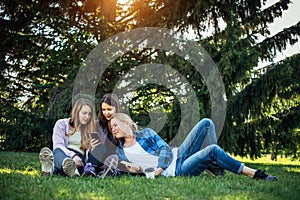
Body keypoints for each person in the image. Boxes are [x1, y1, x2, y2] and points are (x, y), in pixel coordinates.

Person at [110, 113, 277, 181]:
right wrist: (136, 169)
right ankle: (254, 174)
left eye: (115, 125)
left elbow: (165, 149)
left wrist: (159, 168)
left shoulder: (146, 133)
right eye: (111, 128)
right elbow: (126, 168)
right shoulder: (121, 150)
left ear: (126, 123)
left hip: (177, 154)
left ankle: (214, 165)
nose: (113, 129)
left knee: (206, 123)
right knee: (212, 151)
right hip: (178, 169)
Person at [39, 97, 114, 177]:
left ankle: (53, 169)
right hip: (64, 153)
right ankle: (67, 168)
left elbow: (89, 154)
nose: (87, 117)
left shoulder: (90, 128)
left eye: (89, 114)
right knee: (57, 151)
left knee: (101, 148)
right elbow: (58, 145)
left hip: (80, 159)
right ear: (76, 112)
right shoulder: (61, 124)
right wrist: (73, 156)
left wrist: (93, 148)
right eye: (84, 113)